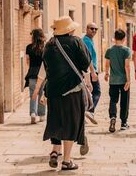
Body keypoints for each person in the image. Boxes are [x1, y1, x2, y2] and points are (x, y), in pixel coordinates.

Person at [42, 16, 91, 170]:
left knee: (56, 121)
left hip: (53, 91)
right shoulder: (76, 41)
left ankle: (55, 152)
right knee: (70, 123)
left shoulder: (48, 45)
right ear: (69, 29)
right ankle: (67, 161)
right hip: (72, 90)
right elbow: (85, 63)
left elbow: (47, 69)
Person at [104, 29, 131, 132]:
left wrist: (107, 73)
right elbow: (127, 66)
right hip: (123, 80)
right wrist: (128, 80)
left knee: (113, 100)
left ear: (114, 38)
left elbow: (107, 64)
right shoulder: (126, 50)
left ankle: (112, 117)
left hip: (113, 80)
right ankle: (124, 123)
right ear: (124, 39)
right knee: (124, 101)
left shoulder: (109, 50)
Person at [25, 28, 46, 124]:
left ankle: (33, 113)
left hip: (32, 73)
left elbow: (27, 61)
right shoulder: (45, 48)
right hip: (43, 74)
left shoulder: (29, 47)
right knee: (42, 94)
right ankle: (42, 115)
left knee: (33, 94)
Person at [82, 22, 101, 124]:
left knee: (88, 93)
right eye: (91, 28)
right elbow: (87, 58)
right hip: (90, 71)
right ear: (87, 29)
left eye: (95, 29)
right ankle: (89, 111)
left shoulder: (88, 40)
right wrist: (93, 72)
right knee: (97, 92)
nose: (94, 31)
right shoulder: (87, 41)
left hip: (88, 71)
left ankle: (84, 114)